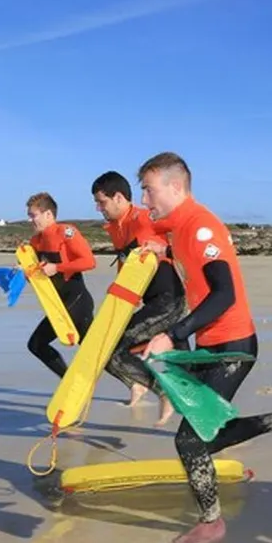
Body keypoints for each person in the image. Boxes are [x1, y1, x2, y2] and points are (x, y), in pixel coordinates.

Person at [136, 151, 272, 543]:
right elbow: (149, 226)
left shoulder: (201, 228)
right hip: (211, 345)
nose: (145, 200)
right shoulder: (177, 226)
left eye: (149, 190)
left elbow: (225, 294)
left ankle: (212, 523)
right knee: (205, 432)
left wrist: (173, 333)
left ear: (175, 187)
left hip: (232, 347)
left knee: (191, 441)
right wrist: (156, 248)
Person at [92, 171, 188, 421]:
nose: (98, 208)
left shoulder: (144, 219)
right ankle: (142, 385)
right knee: (189, 374)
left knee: (112, 349)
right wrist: (124, 298)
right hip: (151, 301)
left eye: (101, 202)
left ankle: (160, 390)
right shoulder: (116, 227)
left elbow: (179, 241)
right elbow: (126, 262)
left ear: (119, 198)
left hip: (169, 300)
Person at [25, 192, 97, 378]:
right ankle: (137, 384)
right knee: (96, 350)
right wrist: (21, 271)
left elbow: (89, 261)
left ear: (48, 214)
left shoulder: (65, 232)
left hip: (77, 299)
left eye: (34, 215)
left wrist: (57, 267)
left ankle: (69, 382)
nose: (30, 220)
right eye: (30, 215)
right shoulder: (35, 241)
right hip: (59, 302)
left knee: (37, 343)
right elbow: (35, 269)